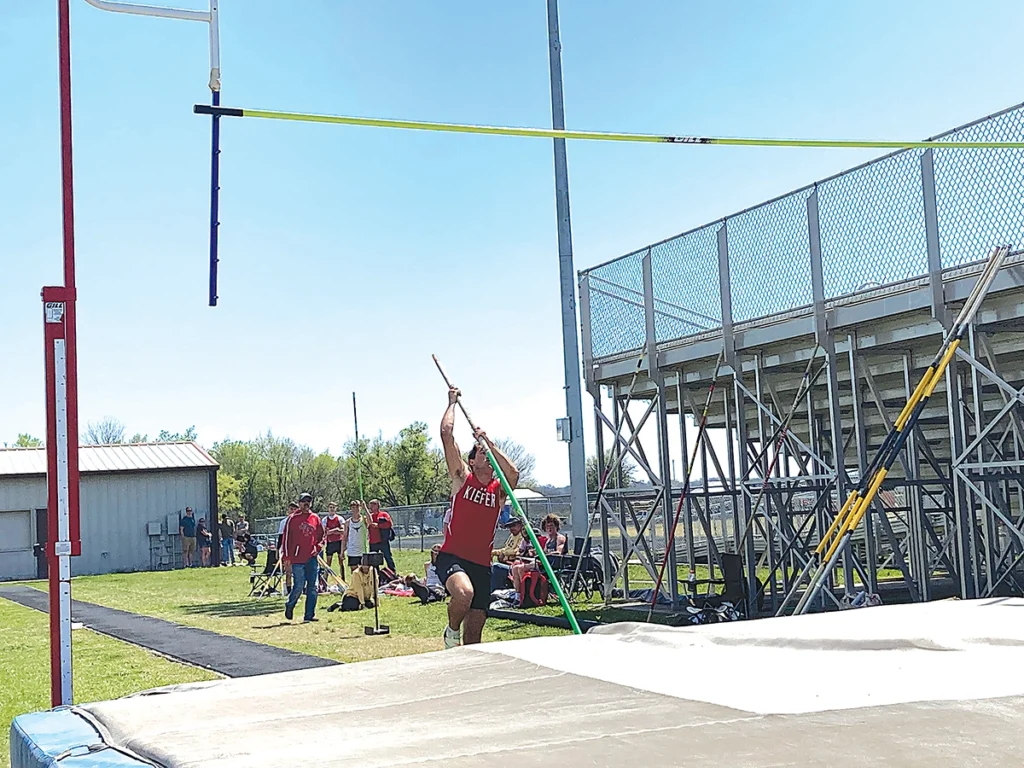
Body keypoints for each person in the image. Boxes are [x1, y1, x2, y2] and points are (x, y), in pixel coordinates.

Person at [436, 385, 519, 649]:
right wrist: (451, 403)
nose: (484, 453)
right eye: (480, 451)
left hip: (482, 565)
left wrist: (490, 444)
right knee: (463, 594)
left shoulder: (498, 491)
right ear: (472, 461)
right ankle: (450, 632)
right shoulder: (463, 478)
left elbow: (513, 475)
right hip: (454, 557)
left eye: (487, 452)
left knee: (474, 638)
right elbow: (446, 435)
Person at [281, 493, 325, 622]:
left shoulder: (315, 518)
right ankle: (290, 605)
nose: (306, 504)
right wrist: (287, 557)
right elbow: (286, 539)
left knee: (313, 586)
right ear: (299, 503)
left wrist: (318, 547)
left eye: (309, 501)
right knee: (299, 586)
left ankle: (309, 615)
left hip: (311, 557)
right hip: (297, 558)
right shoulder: (292, 519)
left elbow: (321, 535)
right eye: (304, 501)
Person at [511, 514, 567, 593]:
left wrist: (544, 555)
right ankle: (518, 595)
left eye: (551, 526)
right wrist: (536, 552)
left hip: (553, 565)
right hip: (544, 563)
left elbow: (558, 552)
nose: (549, 528)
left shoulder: (560, 538)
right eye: (547, 526)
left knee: (520, 568)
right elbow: (544, 552)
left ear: (556, 526)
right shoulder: (548, 540)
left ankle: (527, 593)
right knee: (515, 568)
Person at [490, 517, 526, 592]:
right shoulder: (512, 536)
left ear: (520, 525)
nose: (511, 528)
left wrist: (504, 553)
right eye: (510, 526)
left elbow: (517, 551)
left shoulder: (522, 536)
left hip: (515, 565)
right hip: (506, 561)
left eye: (513, 525)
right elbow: (506, 549)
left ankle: (494, 591)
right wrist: (493, 552)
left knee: (496, 567)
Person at [367, 499, 396, 572]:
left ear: (377, 505)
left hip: (383, 540)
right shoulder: (370, 516)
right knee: (373, 561)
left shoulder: (383, 514)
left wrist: (378, 525)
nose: (371, 507)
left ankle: (392, 573)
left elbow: (389, 524)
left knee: (388, 557)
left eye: (373, 504)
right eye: (370, 505)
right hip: (373, 541)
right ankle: (376, 575)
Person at [322, 502, 347, 578]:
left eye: (333, 507)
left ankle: (343, 578)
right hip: (330, 543)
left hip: (339, 542)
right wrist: (336, 530)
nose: (332, 509)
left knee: (341, 562)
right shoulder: (325, 520)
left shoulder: (340, 518)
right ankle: (325, 579)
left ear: (336, 508)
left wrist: (331, 531)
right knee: (328, 563)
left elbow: (342, 530)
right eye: (330, 507)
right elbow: (325, 533)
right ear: (328, 509)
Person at [278, 503, 298, 592]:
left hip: (298, 549)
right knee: (288, 572)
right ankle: (289, 590)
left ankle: (299, 589)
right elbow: (280, 537)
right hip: (287, 549)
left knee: (298, 572)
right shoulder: (284, 522)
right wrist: (277, 550)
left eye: (295, 509)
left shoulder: (300, 521)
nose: (293, 511)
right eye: (291, 509)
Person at [344, 500, 366, 572]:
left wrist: (365, 508)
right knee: (354, 571)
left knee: (364, 570)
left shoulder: (364, 519)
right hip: (352, 550)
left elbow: (371, 522)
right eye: (353, 507)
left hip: (363, 550)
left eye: (357, 507)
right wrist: (342, 551)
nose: (355, 509)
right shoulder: (348, 522)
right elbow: (345, 537)